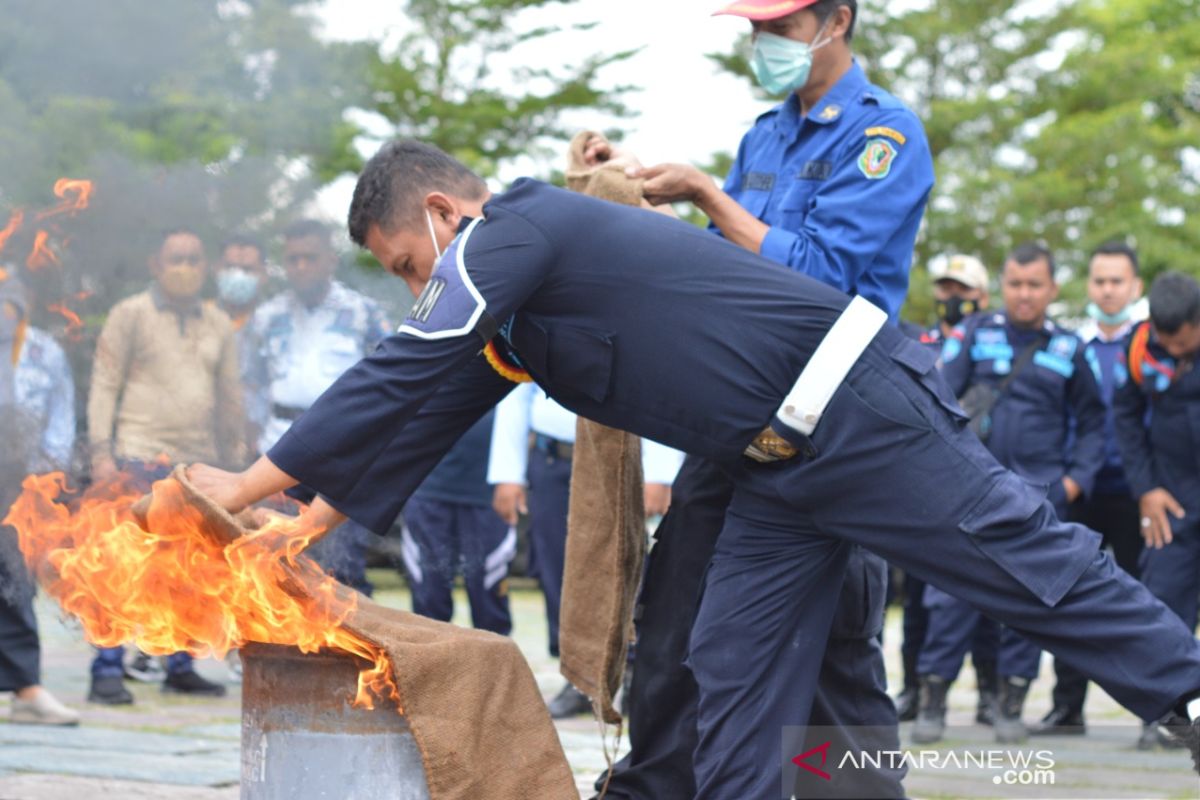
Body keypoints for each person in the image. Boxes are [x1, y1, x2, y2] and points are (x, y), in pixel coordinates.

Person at [189, 140, 1200, 800]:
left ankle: (1188, 693)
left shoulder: (515, 228)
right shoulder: (514, 325)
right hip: (769, 470)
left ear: (448, 214)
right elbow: (420, 411)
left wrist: (239, 484)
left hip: (857, 406)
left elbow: (403, 360)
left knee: (1018, 565)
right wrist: (302, 525)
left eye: (411, 263)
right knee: (726, 665)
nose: (418, 287)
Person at [597, 0, 934, 792]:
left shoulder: (884, 136)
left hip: (838, 420)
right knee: (677, 608)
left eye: (778, 29)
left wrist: (712, 196)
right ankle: (658, 785)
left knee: (833, 645)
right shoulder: (764, 135)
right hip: (742, 414)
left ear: (836, 20)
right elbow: (722, 268)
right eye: (754, 30)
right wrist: (634, 185)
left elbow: (822, 278)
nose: (763, 45)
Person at [913, 243, 1106, 745]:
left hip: (1042, 495)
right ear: (1003, 286)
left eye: (1034, 285)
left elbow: (1093, 423)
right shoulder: (977, 335)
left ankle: (1011, 706)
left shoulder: (1071, 349)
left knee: (1030, 599)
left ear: (1052, 289)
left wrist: (1075, 482)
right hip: (972, 490)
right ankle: (933, 702)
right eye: (1016, 284)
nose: (1024, 294)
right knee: (950, 595)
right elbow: (939, 398)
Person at [87, 227, 243, 703]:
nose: (186, 267)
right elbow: (104, 383)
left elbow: (230, 395)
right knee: (124, 565)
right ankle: (106, 667)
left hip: (194, 464)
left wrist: (236, 460)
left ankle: (180, 665)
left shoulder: (218, 322)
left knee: (190, 570)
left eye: (195, 259)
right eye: (176, 258)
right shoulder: (129, 314)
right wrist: (100, 452)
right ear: (156, 264)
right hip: (137, 454)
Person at [486, 383, 683, 719]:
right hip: (553, 458)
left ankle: (635, 668)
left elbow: (666, 384)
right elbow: (517, 389)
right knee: (556, 566)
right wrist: (507, 472)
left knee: (629, 563)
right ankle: (578, 675)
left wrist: (662, 471)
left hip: (624, 456)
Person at [1032, 240, 1145, 738]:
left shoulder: (1149, 347)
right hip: (1081, 492)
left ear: (1134, 286)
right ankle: (1067, 706)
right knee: (1068, 596)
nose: (1107, 289)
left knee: (1148, 597)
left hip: (1139, 494)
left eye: (1117, 280)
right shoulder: (1069, 347)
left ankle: (1154, 712)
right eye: (1099, 280)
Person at [248, 219, 390, 595]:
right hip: (277, 453)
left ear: (330, 260)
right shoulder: (266, 317)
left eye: (310, 258)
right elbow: (251, 387)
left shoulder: (365, 314)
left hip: (342, 457)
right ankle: (278, 656)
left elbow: (389, 389)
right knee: (272, 567)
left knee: (341, 573)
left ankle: (351, 655)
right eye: (292, 259)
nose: (300, 267)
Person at [894, 253, 992, 723]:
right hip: (920, 486)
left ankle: (989, 697)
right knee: (918, 598)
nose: (952, 298)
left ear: (982, 296)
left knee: (984, 596)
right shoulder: (917, 338)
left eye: (963, 291)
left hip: (977, 480)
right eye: (946, 289)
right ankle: (913, 689)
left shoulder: (993, 342)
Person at [1114, 271, 1200, 749]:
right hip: (1175, 503)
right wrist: (1146, 488)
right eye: (1167, 341)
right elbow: (1124, 419)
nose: (1174, 350)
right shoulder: (1141, 348)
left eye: (1184, 342)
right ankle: (1169, 715)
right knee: (1162, 603)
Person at [0, 274, 79, 726]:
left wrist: (48, 475)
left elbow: (62, 416)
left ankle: (26, 689)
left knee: (14, 582)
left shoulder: (44, 351)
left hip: (20, 481)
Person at [400, 409, 515, 635]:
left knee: (489, 601)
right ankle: (430, 667)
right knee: (428, 601)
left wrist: (512, 474)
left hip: (489, 494)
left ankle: (495, 668)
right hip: (427, 491)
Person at [215, 233, 271, 456]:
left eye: (247, 270)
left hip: (264, 447)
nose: (238, 276)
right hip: (207, 444)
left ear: (264, 274)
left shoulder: (276, 323)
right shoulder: (198, 320)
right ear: (216, 269)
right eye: (230, 268)